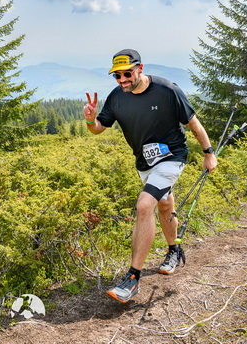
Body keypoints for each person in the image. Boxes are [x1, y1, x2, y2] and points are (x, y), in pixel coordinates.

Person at [83, 49, 217, 303]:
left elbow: (193, 123)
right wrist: (91, 120)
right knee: (164, 204)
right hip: (144, 163)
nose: (122, 80)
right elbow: (99, 129)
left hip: (173, 157)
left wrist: (209, 153)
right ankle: (174, 250)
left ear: (140, 68)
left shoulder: (167, 90)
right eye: (117, 76)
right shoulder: (116, 98)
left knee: (145, 205)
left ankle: (133, 278)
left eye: (127, 74)